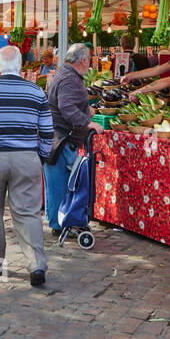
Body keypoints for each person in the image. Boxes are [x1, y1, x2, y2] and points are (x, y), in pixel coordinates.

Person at [0, 45, 52, 286]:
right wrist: (40, 156)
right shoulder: (36, 91)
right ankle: (36, 264)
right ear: (20, 65)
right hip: (25, 157)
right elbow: (47, 131)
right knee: (28, 212)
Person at [45, 44, 104, 233]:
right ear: (84, 60)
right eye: (89, 59)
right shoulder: (70, 78)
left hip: (58, 137)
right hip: (60, 139)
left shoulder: (66, 74)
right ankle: (59, 225)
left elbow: (69, 104)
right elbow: (67, 108)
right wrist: (88, 123)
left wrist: (85, 110)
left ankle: (59, 222)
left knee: (59, 183)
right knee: (59, 183)